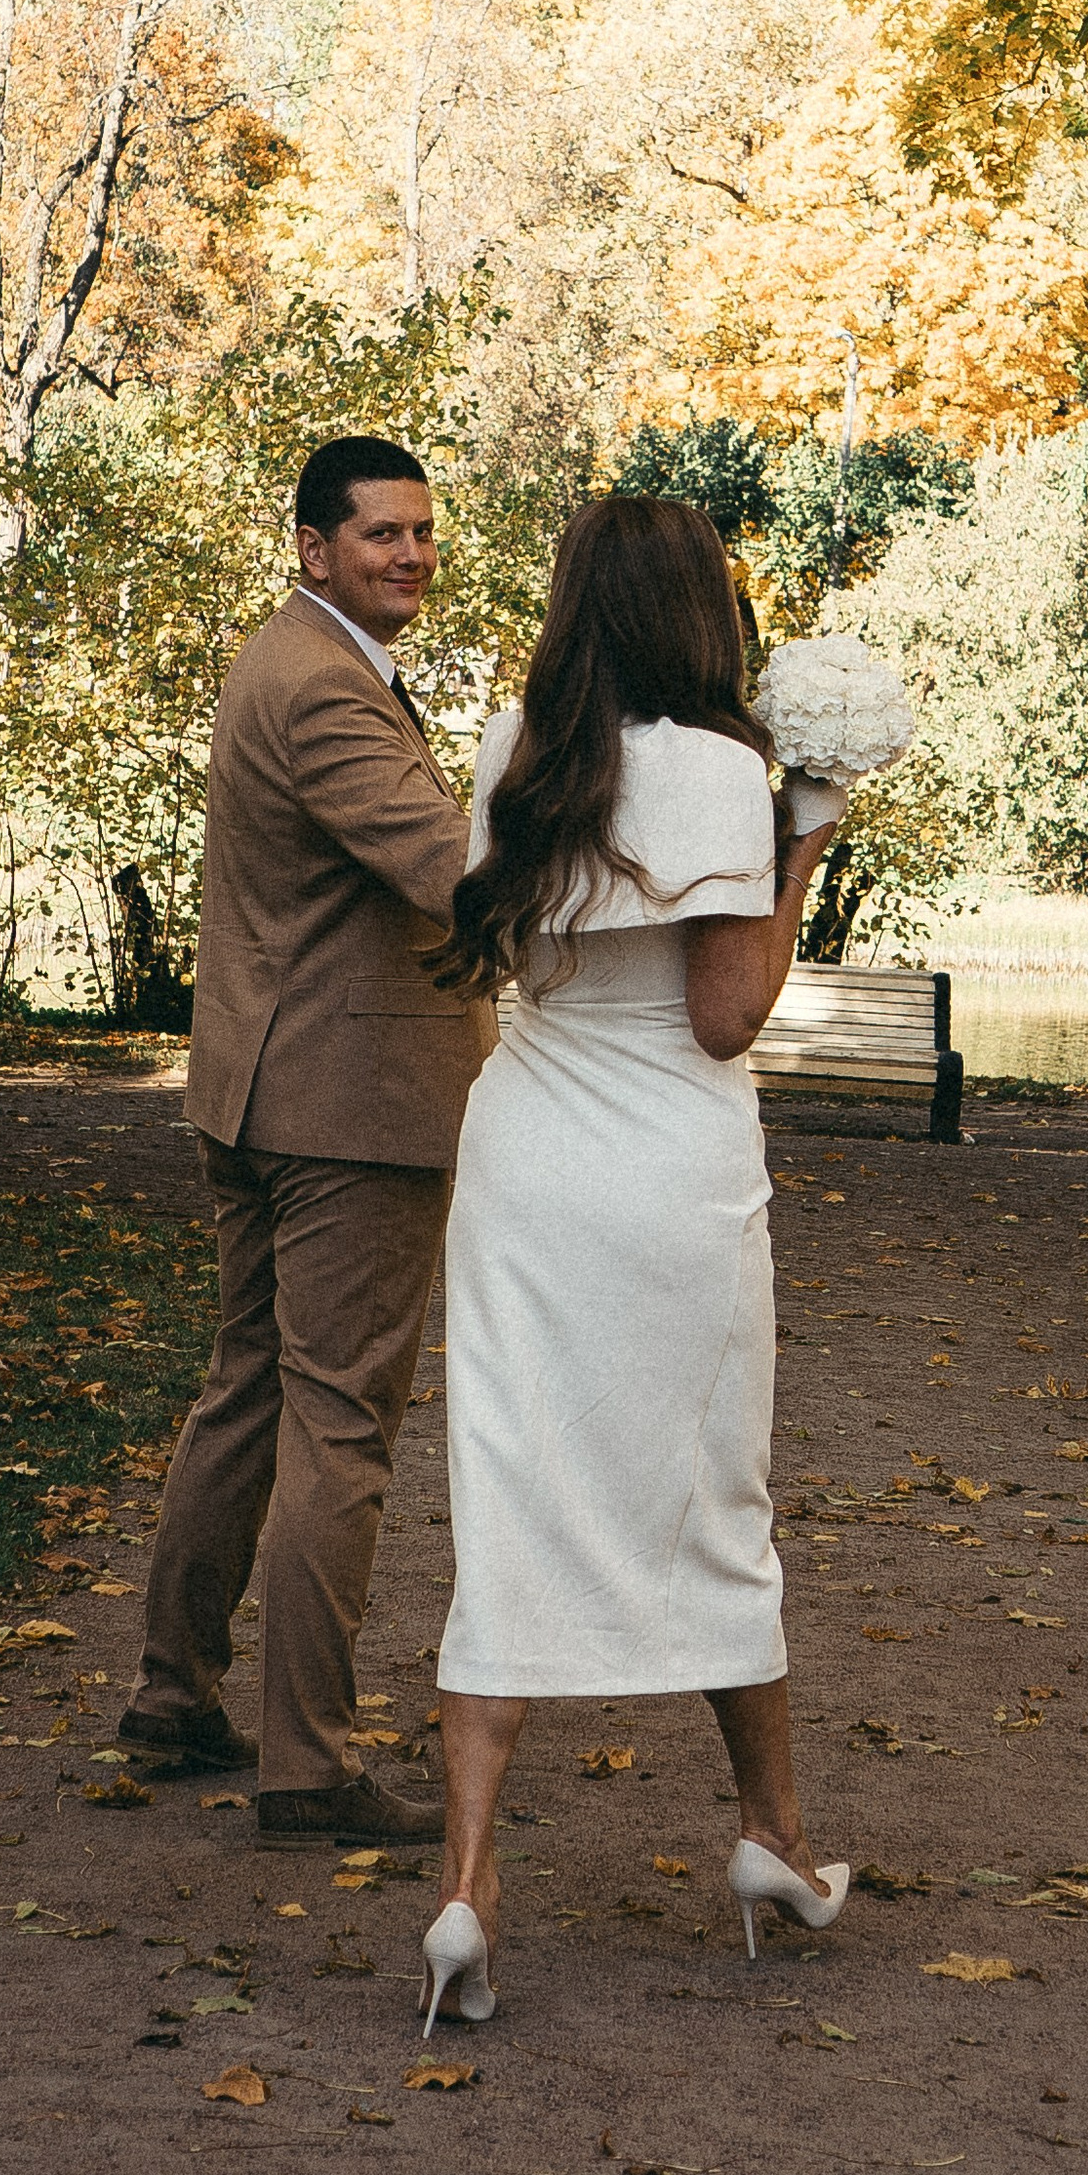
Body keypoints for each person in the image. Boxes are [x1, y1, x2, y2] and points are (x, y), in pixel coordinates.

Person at [411, 492, 850, 2029]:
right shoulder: (722, 773)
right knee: (713, 1492)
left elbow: (513, 959)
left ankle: (467, 1888)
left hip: (526, 1154)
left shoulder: (517, 747)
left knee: (508, 1500)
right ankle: (772, 1836)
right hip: (670, 1168)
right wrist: (804, 844)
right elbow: (726, 1015)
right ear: (699, 613)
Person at [120, 437, 487, 1848]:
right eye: (382, 533)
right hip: (348, 1109)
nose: (411, 555)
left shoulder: (298, 659)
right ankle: (309, 1767)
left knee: (249, 1397)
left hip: (272, 1088)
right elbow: (452, 872)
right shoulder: (325, 682)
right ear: (313, 548)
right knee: (340, 1425)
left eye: (423, 533)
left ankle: (173, 1698)